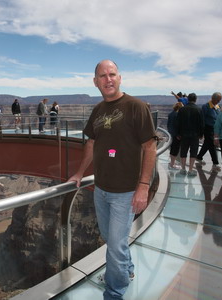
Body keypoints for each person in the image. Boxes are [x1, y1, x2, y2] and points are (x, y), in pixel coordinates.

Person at [68, 60, 157, 300]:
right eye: (102, 76)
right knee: (110, 239)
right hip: (101, 189)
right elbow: (91, 143)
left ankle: (114, 292)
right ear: (95, 82)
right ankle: (127, 271)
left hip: (126, 192)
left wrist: (143, 186)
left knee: (115, 247)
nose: (108, 79)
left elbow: (149, 146)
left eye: (112, 74)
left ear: (120, 78)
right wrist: (79, 173)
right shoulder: (98, 110)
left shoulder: (135, 107)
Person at [176, 93, 204, 176]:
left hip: (184, 134)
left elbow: (178, 123)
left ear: (188, 99)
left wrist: (178, 133)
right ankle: (191, 169)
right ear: (195, 99)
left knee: (183, 151)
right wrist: (201, 134)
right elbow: (202, 123)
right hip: (195, 135)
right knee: (193, 152)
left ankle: (183, 169)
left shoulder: (182, 109)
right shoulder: (199, 109)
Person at [196, 92, 222, 172]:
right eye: (217, 99)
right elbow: (202, 119)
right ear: (213, 98)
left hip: (215, 129)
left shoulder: (218, 107)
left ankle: (199, 156)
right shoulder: (206, 106)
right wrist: (201, 131)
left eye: (219, 100)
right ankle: (215, 163)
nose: (218, 101)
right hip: (208, 128)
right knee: (212, 144)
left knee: (207, 144)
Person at [167, 101, 183, 169]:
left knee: (172, 148)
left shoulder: (171, 114)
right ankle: (172, 164)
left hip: (171, 134)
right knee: (175, 149)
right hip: (176, 135)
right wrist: (178, 135)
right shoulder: (177, 115)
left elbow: (169, 125)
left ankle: (171, 162)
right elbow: (177, 125)